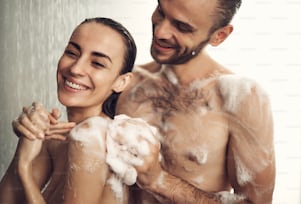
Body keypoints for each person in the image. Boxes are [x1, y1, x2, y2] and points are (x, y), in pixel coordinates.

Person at [6, 0, 276, 203]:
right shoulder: (124, 85)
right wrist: (32, 128)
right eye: (161, 10)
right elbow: (76, 150)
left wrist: (160, 180)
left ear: (220, 35)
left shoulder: (240, 99)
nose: (160, 32)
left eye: (181, 26)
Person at [0, 17, 143, 204]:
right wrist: (29, 137)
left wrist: (24, 167)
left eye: (97, 63)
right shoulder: (57, 138)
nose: (76, 69)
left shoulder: (93, 135)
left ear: (121, 81)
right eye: (72, 53)